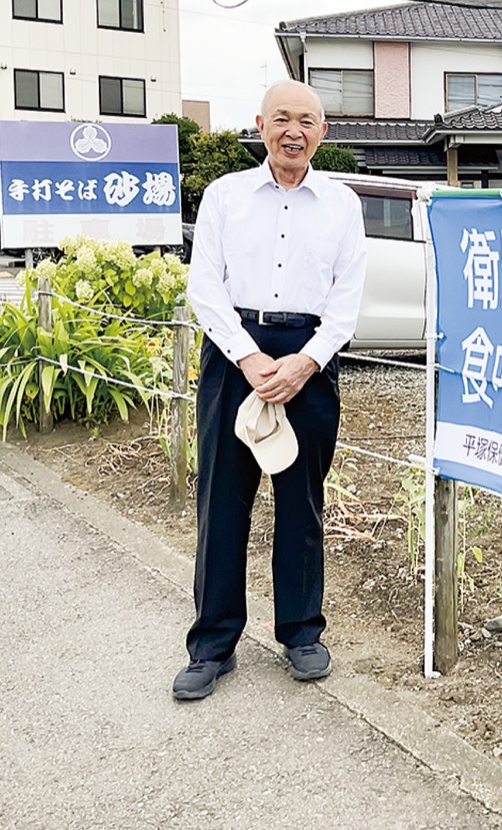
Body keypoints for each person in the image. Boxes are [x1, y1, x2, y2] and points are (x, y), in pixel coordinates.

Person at [174, 80, 367, 700]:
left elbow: (346, 299)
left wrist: (306, 362)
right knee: (221, 501)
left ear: (322, 132)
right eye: (281, 118)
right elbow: (205, 285)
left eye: (306, 121)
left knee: (302, 502)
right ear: (260, 125)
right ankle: (212, 644)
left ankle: (302, 632)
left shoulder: (342, 204)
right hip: (235, 353)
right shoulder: (226, 195)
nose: (294, 131)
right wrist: (249, 355)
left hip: (309, 355)